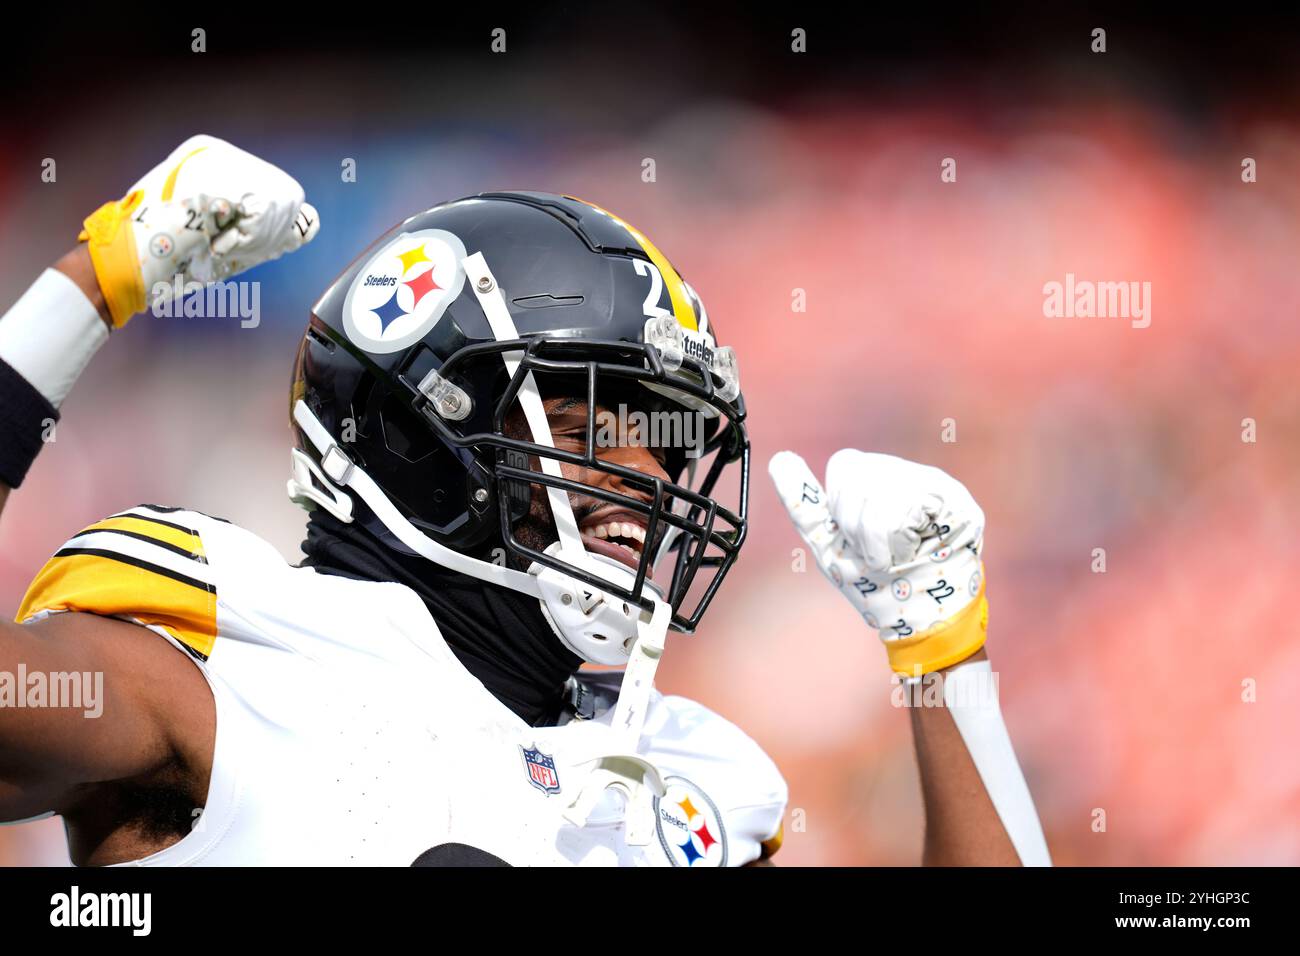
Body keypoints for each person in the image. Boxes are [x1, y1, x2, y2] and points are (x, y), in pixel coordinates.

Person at [0, 136, 1049, 866]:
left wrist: (942, 657)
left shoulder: (686, 777)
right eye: (589, 429)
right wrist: (90, 287)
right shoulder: (226, 657)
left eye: (666, 443)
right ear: (417, 432)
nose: (647, 475)